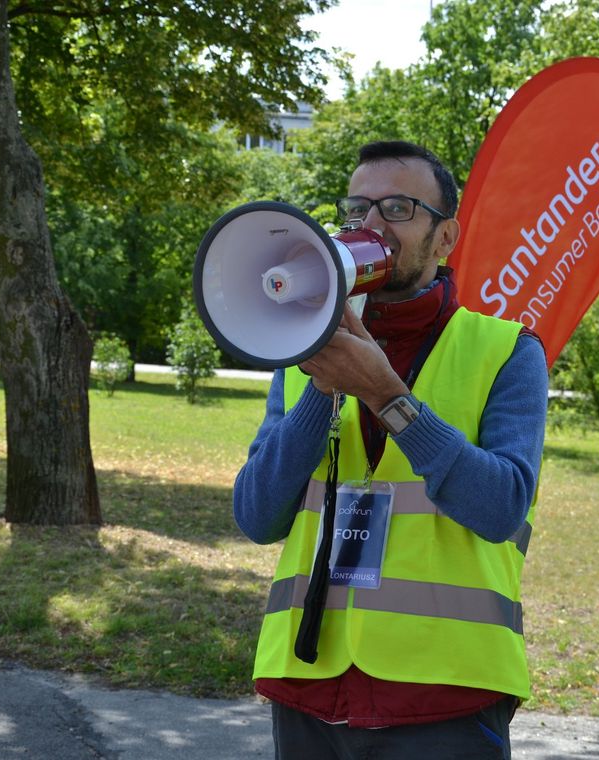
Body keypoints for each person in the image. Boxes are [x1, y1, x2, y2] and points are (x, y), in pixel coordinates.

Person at [233, 140, 547, 759]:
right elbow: (256, 515)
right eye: (356, 211)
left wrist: (386, 396)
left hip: (444, 695)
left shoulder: (507, 351)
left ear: (444, 237)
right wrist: (322, 388)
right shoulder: (304, 352)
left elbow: (501, 507)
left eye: (397, 208)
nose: (369, 226)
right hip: (310, 685)